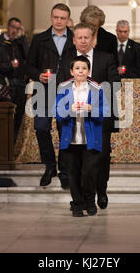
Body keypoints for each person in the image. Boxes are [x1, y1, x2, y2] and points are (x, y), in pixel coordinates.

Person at [57, 22, 120, 210]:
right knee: (77, 163)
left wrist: (93, 94)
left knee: (100, 158)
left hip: (99, 118)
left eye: (87, 37)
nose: (83, 41)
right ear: (74, 40)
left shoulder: (106, 58)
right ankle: (81, 200)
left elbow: (115, 84)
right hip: (72, 120)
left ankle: (101, 192)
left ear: (94, 40)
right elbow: (59, 85)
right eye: (80, 38)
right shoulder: (67, 60)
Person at [26, 3, 76, 189]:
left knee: (65, 133)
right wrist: (37, 75)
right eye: (56, 17)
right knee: (41, 127)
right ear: (51, 17)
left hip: (66, 91)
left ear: (68, 19)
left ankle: (64, 171)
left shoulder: (74, 39)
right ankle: (49, 167)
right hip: (44, 90)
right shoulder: (40, 39)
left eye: (63, 18)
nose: (59, 21)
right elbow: (29, 65)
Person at [54, 56, 110, 217]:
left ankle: (90, 201)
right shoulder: (63, 88)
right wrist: (68, 109)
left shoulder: (97, 89)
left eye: (84, 68)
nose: (81, 71)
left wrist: (92, 109)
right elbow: (57, 114)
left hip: (90, 139)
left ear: (88, 71)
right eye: (77, 68)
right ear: (72, 71)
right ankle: (77, 204)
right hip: (70, 140)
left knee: (88, 173)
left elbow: (105, 112)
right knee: (73, 174)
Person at [0, 17, 29, 142]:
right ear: (8, 27)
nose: (15, 31)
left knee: (18, 117)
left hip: (20, 83)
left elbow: (29, 57)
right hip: (6, 83)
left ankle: (14, 145)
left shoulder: (20, 42)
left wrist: (23, 37)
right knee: (5, 116)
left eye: (18, 28)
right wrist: (9, 65)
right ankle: (3, 145)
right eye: (13, 27)